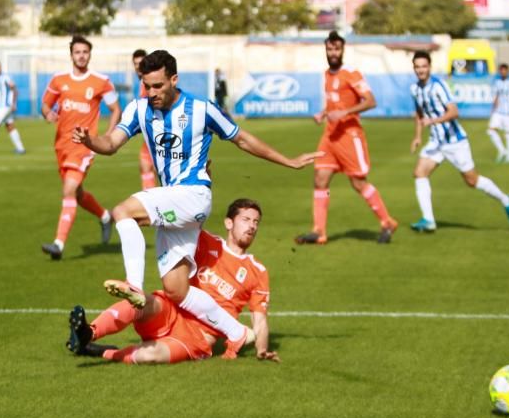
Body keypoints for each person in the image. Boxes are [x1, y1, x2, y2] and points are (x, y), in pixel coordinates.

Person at [74, 49, 319, 358]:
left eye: (158, 86)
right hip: (174, 202)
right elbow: (109, 144)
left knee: (123, 212)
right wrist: (89, 140)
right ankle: (237, 332)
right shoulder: (138, 109)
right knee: (176, 289)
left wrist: (289, 161)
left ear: (174, 79)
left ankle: (133, 286)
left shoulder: (202, 109)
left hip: (193, 195)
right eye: (147, 86)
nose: (152, 93)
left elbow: (241, 138)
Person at [67, 198, 279, 364]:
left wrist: (261, 350)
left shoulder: (257, 271)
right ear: (229, 222)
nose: (251, 226)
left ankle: (102, 352)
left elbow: (259, 319)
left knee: (149, 356)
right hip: (173, 310)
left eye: (255, 222)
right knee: (140, 302)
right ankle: (88, 333)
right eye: (246, 219)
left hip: (199, 337)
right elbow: (194, 217)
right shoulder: (208, 242)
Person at [295, 31, 398, 245]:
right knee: (320, 179)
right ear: (326, 50)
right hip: (330, 135)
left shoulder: (352, 73)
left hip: (350, 136)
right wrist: (323, 112)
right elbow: (334, 102)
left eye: (336, 49)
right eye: (330, 49)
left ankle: (387, 222)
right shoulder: (327, 74)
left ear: (343, 50)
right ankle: (319, 231)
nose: (333, 53)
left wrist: (344, 113)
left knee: (358, 182)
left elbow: (371, 101)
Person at [408, 50, 509, 233]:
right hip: (436, 142)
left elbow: (454, 112)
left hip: (454, 141)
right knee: (420, 173)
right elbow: (420, 113)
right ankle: (428, 220)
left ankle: (506, 200)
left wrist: (433, 121)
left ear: (430, 67)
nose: (421, 70)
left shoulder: (438, 86)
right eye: (417, 67)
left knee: (472, 181)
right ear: (414, 68)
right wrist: (418, 136)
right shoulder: (415, 89)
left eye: (424, 66)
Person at [39, 35, 122, 260]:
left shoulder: (101, 81)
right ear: (71, 55)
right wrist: (48, 113)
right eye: (77, 52)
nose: (81, 56)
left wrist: (107, 136)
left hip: (84, 145)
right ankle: (105, 216)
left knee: (68, 190)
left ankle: (58, 244)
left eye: (85, 52)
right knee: (76, 193)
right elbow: (45, 104)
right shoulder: (58, 79)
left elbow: (116, 109)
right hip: (62, 145)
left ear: (90, 54)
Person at [132, 48, 157, 190]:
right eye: (135, 63)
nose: (138, 66)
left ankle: (153, 207)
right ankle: (153, 207)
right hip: (151, 133)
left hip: (160, 133)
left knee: (148, 166)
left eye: (141, 62)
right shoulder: (143, 82)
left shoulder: (150, 83)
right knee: (146, 166)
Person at [486, 63, 509, 163]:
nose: (503, 72)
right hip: (498, 112)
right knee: (491, 131)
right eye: (501, 70)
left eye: (504, 70)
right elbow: (495, 97)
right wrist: (493, 110)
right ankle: (502, 151)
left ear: (508, 71)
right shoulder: (497, 83)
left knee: (508, 134)